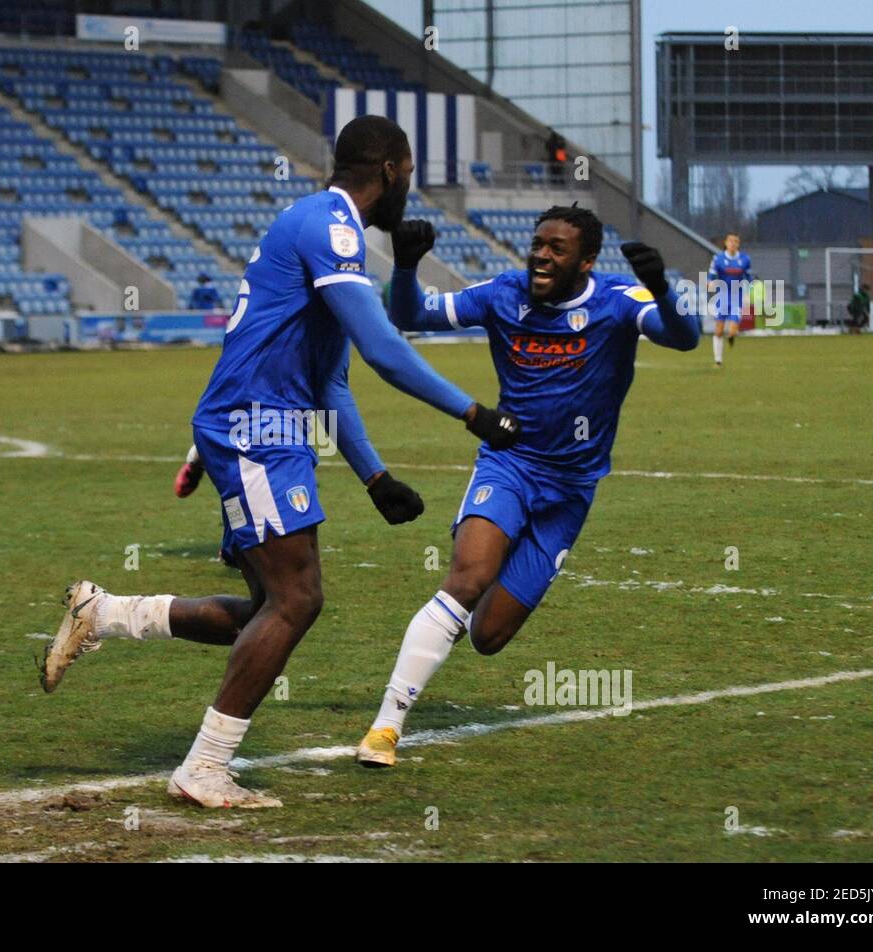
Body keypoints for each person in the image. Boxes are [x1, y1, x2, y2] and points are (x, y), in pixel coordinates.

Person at [39, 115, 520, 808]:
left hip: (268, 425)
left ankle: (107, 613)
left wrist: (374, 476)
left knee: (266, 609)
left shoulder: (324, 227)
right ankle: (202, 768)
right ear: (390, 170)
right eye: (408, 174)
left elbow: (331, 382)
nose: (407, 187)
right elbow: (384, 350)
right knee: (297, 600)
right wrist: (475, 415)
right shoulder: (331, 226)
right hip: (255, 425)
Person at [354, 206, 700, 767]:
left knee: (489, 635)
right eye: (537, 243)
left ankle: (467, 606)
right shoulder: (501, 294)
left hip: (570, 491)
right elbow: (410, 314)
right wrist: (407, 264)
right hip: (508, 464)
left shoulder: (616, 302)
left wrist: (659, 285)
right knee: (468, 578)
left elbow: (684, 337)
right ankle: (385, 728)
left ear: (586, 261)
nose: (540, 254)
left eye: (556, 249)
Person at [707, 232, 752, 367]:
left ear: (738, 244)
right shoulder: (718, 259)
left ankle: (731, 336)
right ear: (726, 243)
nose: (733, 244)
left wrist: (751, 287)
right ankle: (718, 360)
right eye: (731, 241)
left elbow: (749, 277)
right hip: (723, 296)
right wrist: (710, 282)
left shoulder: (744, 259)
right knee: (719, 329)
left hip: (736, 296)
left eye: (736, 242)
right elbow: (712, 275)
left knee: (732, 329)